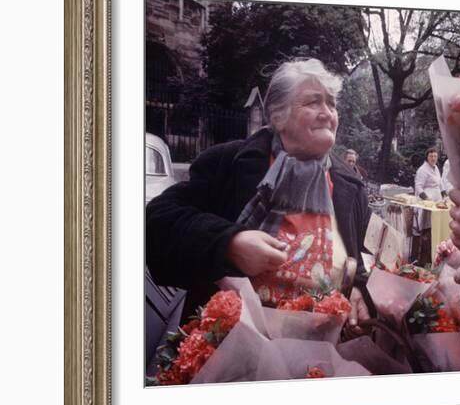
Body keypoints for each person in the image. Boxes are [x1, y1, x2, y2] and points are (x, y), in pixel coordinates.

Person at [146, 58, 375, 337]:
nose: (327, 113)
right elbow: (156, 226)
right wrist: (229, 243)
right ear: (277, 116)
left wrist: (358, 291)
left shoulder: (350, 186)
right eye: (313, 102)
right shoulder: (227, 164)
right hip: (231, 351)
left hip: (318, 358)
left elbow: (357, 264)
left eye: (332, 104)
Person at [412, 147, 445, 263]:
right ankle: (423, 258)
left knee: (436, 228)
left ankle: (435, 255)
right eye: (431, 156)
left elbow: (440, 184)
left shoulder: (436, 168)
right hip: (427, 204)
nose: (433, 158)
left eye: (435, 156)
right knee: (427, 229)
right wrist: (427, 200)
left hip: (437, 202)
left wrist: (444, 195)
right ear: (427, 157)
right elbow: (418, 187)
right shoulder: (422, 170)